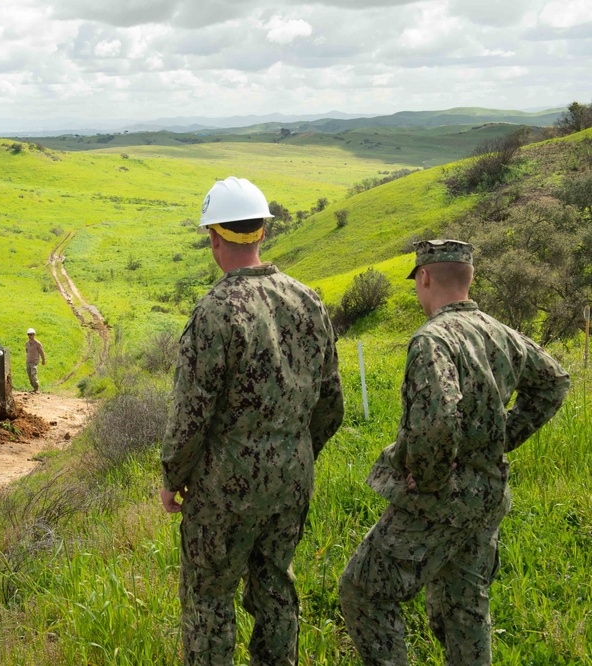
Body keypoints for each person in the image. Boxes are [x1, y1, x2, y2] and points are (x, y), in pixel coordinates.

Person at [338, 240, 571, 665]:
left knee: (364, 591)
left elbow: (438, 420)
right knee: (464, 607)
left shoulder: (433, 339)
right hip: (487, 492)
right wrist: (503, 436)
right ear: (470, 279)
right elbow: (554, 381)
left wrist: (427, 479)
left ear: (423, 277)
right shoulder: (500, 332)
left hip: (442, 497)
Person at [160, 176, 344, 664]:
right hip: (292, 476)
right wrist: (295, 452)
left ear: (215, 238)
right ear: (263, 231)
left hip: (226, 485)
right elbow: (331, 404)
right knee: (276, 589)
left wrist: (172, 477)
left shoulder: (215, 311)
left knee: (208, 600)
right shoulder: (309, 301)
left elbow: (190, 415)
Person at [25, 327, 46, 393]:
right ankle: (34, 388)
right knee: (29, 375)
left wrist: (43, 360)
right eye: (28, 334)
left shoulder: (37, 343)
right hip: (28, 361)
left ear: (34, 335)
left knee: (33, 374)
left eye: (31, 334)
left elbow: (41, 352)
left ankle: (36, 388)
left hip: (34, 362)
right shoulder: (27, 344)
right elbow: (27, 351)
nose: (30, 336)